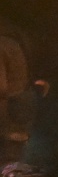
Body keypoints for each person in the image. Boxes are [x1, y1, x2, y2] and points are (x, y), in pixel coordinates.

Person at [0, 18, 33, 167]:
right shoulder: (14, 42)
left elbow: (1, 87)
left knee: (7, 163)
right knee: (13, 165)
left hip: (7, 111)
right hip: (23, 104)